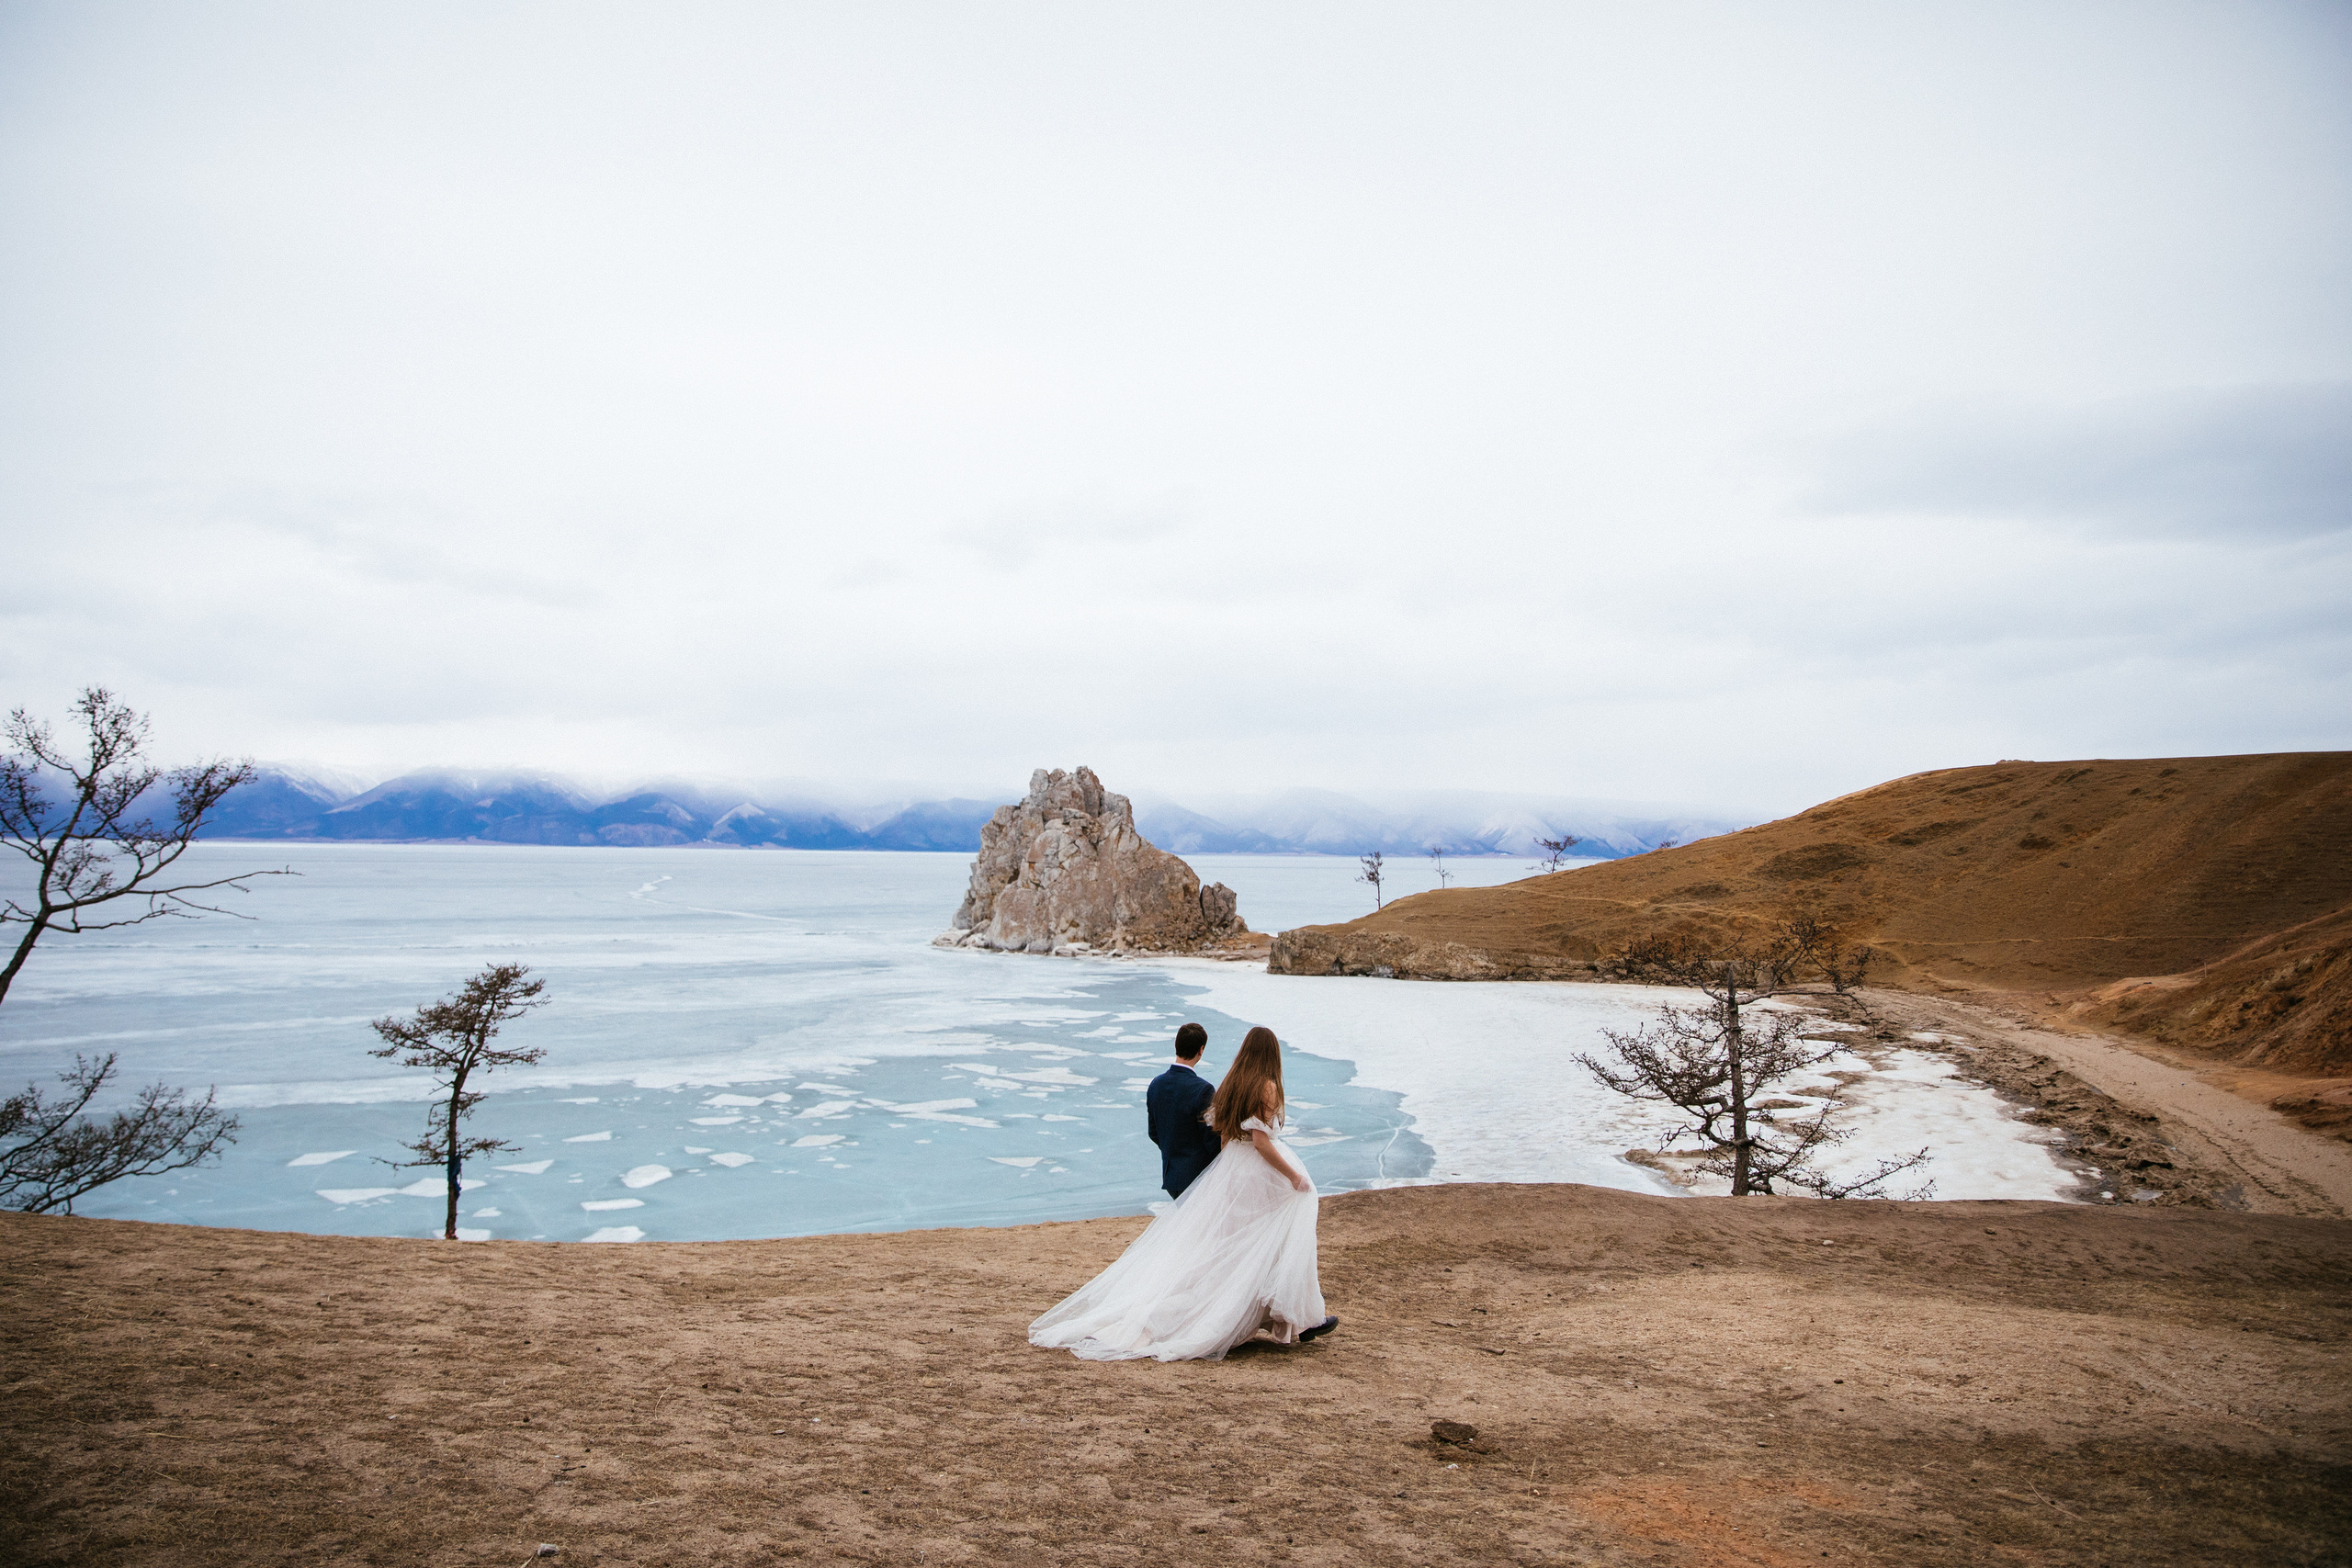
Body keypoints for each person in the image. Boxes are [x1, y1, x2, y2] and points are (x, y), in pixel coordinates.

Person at [1030, 1025, 1340, 1361]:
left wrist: (1224, 1176)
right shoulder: (1264, 1087)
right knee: (1278, 1229)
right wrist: (1294, 1176)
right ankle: (1297, 1317)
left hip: (1222, 1171)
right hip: (1249, 1172)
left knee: (1236, 1246)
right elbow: (1261, 1141)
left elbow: (1217, 1137)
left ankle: (1292, 1317)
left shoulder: (1227, 1084)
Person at [1145, 1021, 1221, 1199]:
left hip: (1172, 1175)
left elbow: (1153, 1132)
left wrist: (1174, 1151)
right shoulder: (1203, 1090)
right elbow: (1212, 1138)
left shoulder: (1156, 1084)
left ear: (1176, 1045)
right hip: (1199, 1177)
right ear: (1201, 1050)